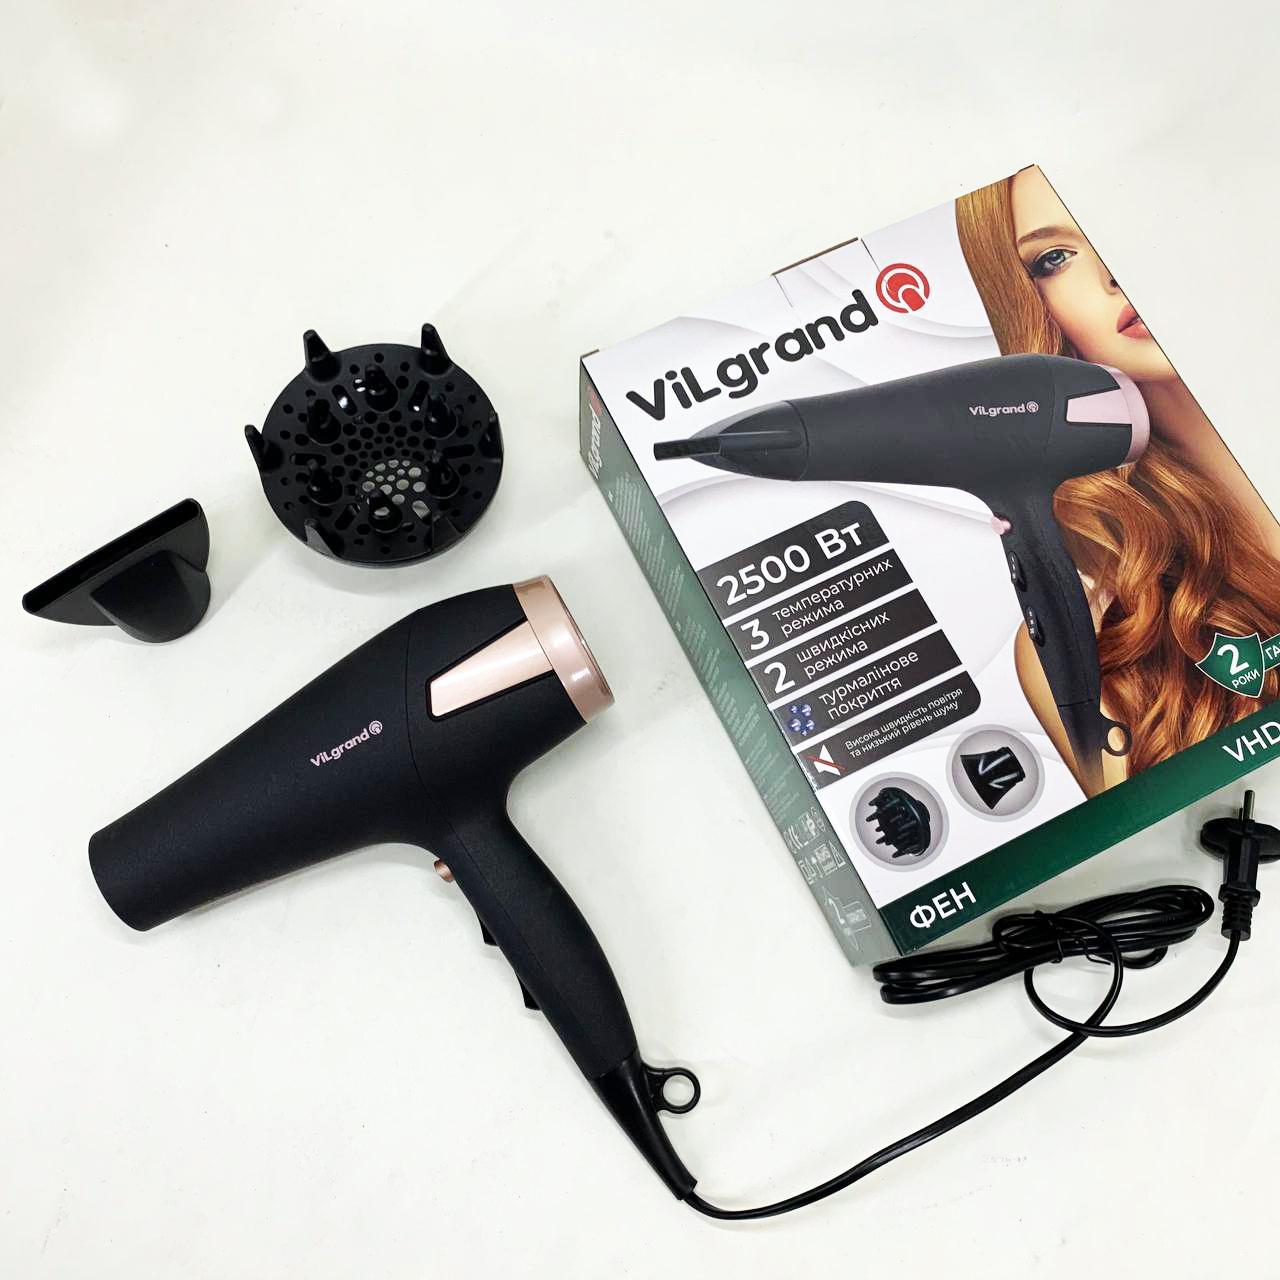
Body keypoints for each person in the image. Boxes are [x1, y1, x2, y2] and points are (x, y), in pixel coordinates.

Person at [955, 168, 1280, 791]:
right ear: (1033, 307)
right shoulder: (1089, 637)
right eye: (1055, 258)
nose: (1111, 271)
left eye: (1123, 216)